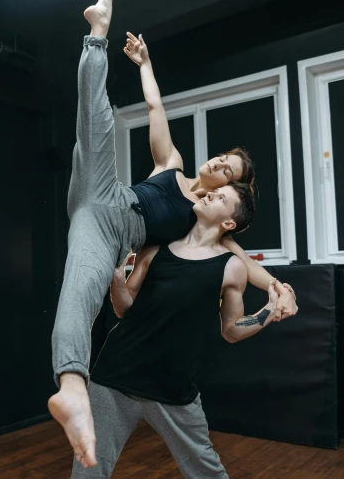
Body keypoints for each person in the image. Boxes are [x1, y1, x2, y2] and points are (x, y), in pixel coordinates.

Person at [48, 0, 295, 468]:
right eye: (223, 158)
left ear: (228, 202)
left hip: (106, 232)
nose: (219, 164)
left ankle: (72, 386)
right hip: (103, 194)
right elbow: (157, 107)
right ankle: (97, 32)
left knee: (79, 290)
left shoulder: (194, 224)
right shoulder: (173, 165)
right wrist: (144, 64)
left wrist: (277, 289)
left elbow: (239, 259)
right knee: (95, 121)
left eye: (229, 171)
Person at [69, 182, 297, 478]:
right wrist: (116, 277)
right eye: (214, 191)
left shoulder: (231, 267)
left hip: (172, 390)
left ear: (229, 222)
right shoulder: (155, 250)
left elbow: (231, 330)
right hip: (114, 377)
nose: (211, 193)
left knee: (207, 471)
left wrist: (268, 310)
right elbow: (125, 309)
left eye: (221, 197)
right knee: (88, 469)